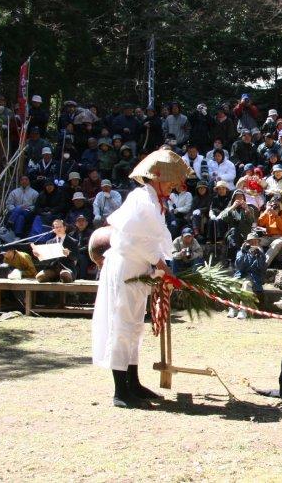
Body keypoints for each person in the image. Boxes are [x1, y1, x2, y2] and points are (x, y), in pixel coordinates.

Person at [92, 148, 190, 408]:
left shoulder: (156, 203)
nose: (174, 185)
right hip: (127, 268)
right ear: (157, 177)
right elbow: (136, 240)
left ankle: (133, 382)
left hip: (140, 271)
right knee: (122, 325)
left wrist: (161, 267)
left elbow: (154, 241)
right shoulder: (142, 199)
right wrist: (161, 267)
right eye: (170, 180)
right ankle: (120, 390)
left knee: (135, 326)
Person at [230, 232, 266, 318]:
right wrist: (243, 252)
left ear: (258, 242)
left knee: (246, 284)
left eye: (255, 242)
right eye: (250, 242)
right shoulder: (241, 251)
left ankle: (244, 309)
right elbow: (238, 266)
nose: (253, 244)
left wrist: (259, 256)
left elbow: (261, 269)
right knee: (234, 283)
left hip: (254, 278)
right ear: (247, 242)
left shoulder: (261, 253)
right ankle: (233, 308)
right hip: (241, 275)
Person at [220, 190, 256, 268]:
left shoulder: (250, 209)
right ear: (233, 199)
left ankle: (234, 260)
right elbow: (223, 218)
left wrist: (247, 210)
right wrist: (232, 207)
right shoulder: (230, 209)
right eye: (237, 197)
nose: (239, 199)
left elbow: (251, 221)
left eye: (241, 197)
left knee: (233, 237)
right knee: (232, 234)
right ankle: (233, 260)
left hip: (245, 234)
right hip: (233, 234)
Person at [257, 198, 282, 268]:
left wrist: (276, 215)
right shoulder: (268, 213)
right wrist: (266, 210)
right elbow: (260, 223)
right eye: (273, 205)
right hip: (269, 237)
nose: (275, 207)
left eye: (277, 205)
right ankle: (256, 263)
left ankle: (263, 266)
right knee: (256, 241)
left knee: (276, 244)